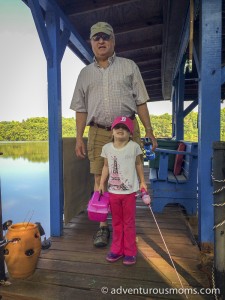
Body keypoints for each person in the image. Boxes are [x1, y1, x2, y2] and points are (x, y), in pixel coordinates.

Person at [70, 21, 157, 248]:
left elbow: (141, 102)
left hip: (128, 130)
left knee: (131, 176)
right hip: (98, 131)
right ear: (91, 42)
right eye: (96, 37)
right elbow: (81, 109)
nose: (101, 41)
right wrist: (79, 137)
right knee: (100, 178)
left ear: (113, 41)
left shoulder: (130, 66)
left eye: (105, 37)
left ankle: (127, 224)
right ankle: (103, 227)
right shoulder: (84, 74)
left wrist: (149, 131)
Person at [99, 116, 147, 265]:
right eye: (117, 127)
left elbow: (139, 164)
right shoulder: (107, 148)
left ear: (131, 133)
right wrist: (101, 183)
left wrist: (143, 182)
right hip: (113, 193)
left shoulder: (134, 146)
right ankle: (116, 249)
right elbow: (106, 166)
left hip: (129, 193)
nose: (121, 130)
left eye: (125, 128)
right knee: (116, 223)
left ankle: (130, 251)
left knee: (129, 223)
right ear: (112, 131)